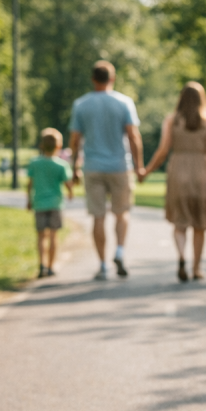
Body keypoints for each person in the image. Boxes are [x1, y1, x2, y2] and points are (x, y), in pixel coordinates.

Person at [69, 60, 146, 281]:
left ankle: (103, 265)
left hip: (92, 167)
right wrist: (139, 166)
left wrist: (75, 166)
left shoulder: (81, 105)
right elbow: (133, 136)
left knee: (98, 217)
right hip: (120, 166)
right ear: (112, 79)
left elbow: (75, 140)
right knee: (122, 213)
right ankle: (119, 251)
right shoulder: (124, 102)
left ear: (93, 79)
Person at [142, 82, 206, 282]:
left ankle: (181, 257)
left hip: (178, 172)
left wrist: (147, 171)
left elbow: (163, 151)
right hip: (202, 173)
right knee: (199, 223)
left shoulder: (172, 120)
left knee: (180, 221)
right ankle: (196, 268)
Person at [26, 128, 74, 278]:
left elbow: (29, 184)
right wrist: (71, 192)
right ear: (58, 146)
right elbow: (68, 183)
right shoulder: (61, 165)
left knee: (41, 236)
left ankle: (41, 265)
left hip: (39, 203)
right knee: (53, 236)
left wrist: (29, 200)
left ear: (41, 145)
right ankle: (51, 266)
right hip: (55, 204)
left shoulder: (34, 163)